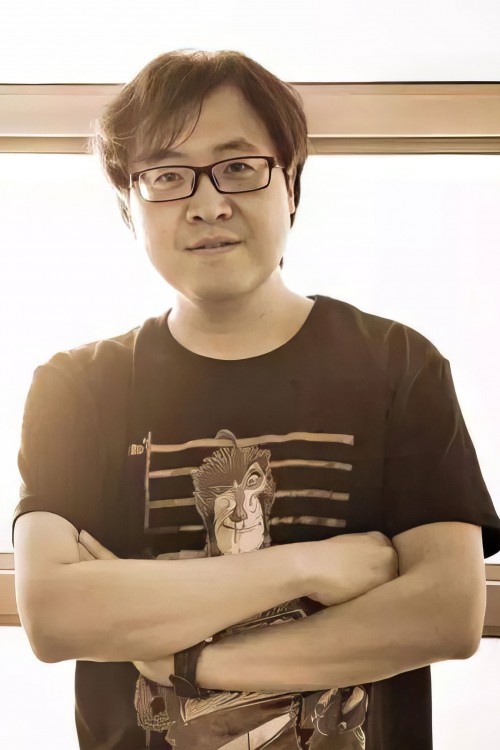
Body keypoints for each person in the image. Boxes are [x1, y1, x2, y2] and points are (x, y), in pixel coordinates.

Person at [12, 49, 500, 750]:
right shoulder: (77, 387)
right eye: (167, 176)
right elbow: (56, 618)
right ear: (129, 207)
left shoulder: (398, 365)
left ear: (291, 185)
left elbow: (447, 615)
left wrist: (191, 662)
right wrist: (310, 566)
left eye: (239, 167)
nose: (208, 203)